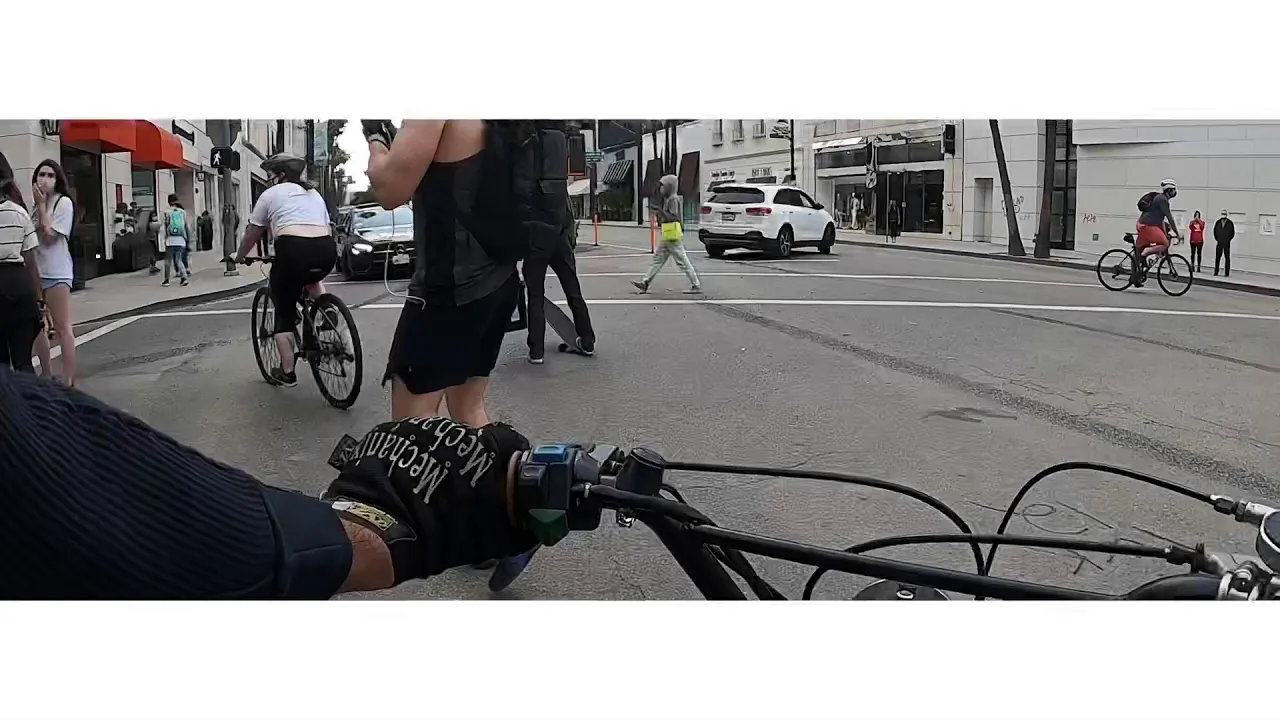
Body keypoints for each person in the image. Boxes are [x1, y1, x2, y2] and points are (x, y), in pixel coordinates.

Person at [0, 367, 538, 599]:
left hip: (440, 288)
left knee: (284, 297)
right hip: (483, 285)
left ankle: (287, 358)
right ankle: (499, 491)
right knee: (468, 407)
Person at [362, 120, 521, 425]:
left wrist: (375, 139)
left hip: (448, 286)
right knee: (469, 407)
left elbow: (389, 190)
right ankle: (493, 458)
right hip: (498, 277)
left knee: (413, 420)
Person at [232, 153, 336, 388]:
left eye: (271, 174)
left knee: (283, 310)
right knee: (312, 276)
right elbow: (326, 226)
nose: (269, 178)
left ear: (280, 175)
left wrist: (239, 257)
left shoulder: (271, 194)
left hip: (292, 249)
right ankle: (326, 308)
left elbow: (253, 232)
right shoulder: (314, 194)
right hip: (325, 250)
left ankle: (287, 372)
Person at [523, 195, 595, 363]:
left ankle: (536, 351)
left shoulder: (526, 185)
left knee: (535, 297)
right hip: (559, 238)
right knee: (573, 291)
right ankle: (587, 341)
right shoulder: (557, 184)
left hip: (536, 241)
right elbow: (568, 213)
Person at [28, 159, 77, 386]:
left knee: (62, 326)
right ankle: (46, 373)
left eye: (50, 175)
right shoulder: (33, 208)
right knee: (38, 327)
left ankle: (68, 379)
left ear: (57, 180)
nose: (45, 179)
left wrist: (42, 206)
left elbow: (49, 236)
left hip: (57, 272)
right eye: (41, 175)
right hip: (36, 272)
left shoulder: (63, 203)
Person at [0, 154, 44, 373]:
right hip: (19, 286)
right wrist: (40, 299)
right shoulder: (19, 213)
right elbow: (31, 262)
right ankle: (29, 395)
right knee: (23, 361)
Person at [631, 174, 701, 295]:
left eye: (663, 186)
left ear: (669, 186)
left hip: (672, 235)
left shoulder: (673, 199)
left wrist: (660, 211)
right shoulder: (670, 199)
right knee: (658, 259)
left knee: (681, 260)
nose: (661, 189)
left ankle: (695, 284)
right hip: (668, 235)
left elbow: (673, 217)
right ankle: (645, 282)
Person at [1132, 179, 1179, 287]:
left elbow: (1161, 220)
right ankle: (1145, 254)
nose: (1175, 192)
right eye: (1174, 190)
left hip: (1143, 224)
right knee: (1164, 244)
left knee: (1138, 251)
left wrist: (1165, 233)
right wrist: (1177, 233)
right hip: (1148, 226)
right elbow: (1169, 218)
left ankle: (1135, 277)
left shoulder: (1159, 198)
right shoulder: (1163, 200)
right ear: (1169, 190)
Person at [161, 194, 191, 287]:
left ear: (168, 202)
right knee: (179, 259)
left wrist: (164, 239)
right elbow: (186, 227)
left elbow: (164, 226)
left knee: (168, 261)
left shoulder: (166, 212)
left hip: (170, 240)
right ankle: (184, 277)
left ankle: (166, 280)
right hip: (180, 239)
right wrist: (187, 239)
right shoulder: (182, 212)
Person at [1213, 209, 1234, 277]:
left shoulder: (1230, 223)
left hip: (1226, 243)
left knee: (1227, 257)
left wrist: (1228, 239)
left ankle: (1227, 273)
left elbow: (1232, 233)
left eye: (1224, 214)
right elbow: (1215, 231)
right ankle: (1216, 272)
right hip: (1219, 242)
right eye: (1223, 214)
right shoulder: (1218, 222)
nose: (1223, 215)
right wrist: (1217, 239)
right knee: (1217, 257)